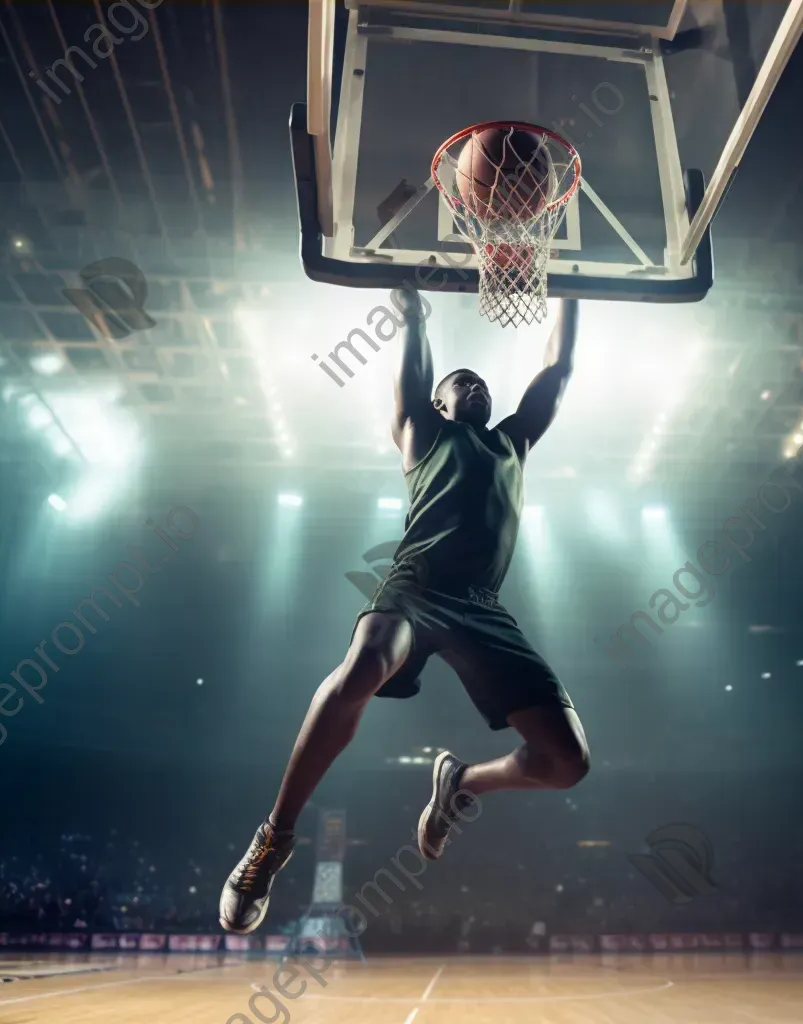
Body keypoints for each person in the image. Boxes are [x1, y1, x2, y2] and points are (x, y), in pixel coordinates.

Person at [219, 285, 590, 934]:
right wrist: (412, 308)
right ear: (437, 404)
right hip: (416, 586)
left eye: (479, 383)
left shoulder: (513, 443)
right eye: (457, 382)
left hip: (482, 607)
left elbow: (556, 370)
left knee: (568, 763)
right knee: (364, 665)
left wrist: (571, 291)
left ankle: (464, 782)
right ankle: (273, 839)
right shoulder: (420, 430)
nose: (471, 385)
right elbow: (413, 365)